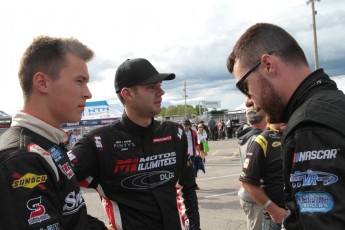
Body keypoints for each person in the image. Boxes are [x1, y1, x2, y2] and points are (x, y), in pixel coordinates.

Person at [227, 22, 345, 229]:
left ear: (268, 65)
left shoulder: (309, 126)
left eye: (245, 86)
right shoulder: (334, 102)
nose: (247, 100)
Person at [69, 58, 200, 230]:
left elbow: (186, 189)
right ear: (127, 94)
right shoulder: (99, 142)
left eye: (160, 85)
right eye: (151, 87)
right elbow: (53, 189)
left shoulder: (174, 134)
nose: (161, 92)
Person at [0, 36, 106, 229]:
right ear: (42, 82)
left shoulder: (49, 143)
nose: (88, 93)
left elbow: (74, 218)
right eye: (80, 81)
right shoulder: (21, 158)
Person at [240, 123, 287, 230]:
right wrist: (274, 211)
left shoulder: (299, 134)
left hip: (303, 215)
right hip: (278, 219)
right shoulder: (263, 139)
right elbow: (246, 182)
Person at [236, 106, 267, 230]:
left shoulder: (246, 136)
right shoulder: (257, 139)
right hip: (255, 196)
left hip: (249, 195)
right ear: (263, 118)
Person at [182, 119, 201, 189]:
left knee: (193, 170)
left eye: (186, 126)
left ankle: (193, 184)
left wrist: (199, 152)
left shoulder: (193, 132)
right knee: (184, 171)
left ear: (189, 126)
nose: (185, 127)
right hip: (184, 155)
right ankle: (184, 185)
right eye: (184, 125)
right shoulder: (180, 133)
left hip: (192, 154)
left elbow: (196, 143)